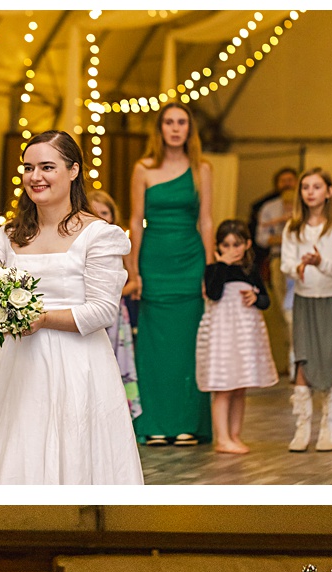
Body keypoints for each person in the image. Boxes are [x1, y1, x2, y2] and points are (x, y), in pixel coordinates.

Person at [0, 132, 143, 485]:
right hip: (19, 365)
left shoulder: (98, 234)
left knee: (76, 452)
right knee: (16, 451)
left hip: (79, 365)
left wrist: (41, 319)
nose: (35, 176)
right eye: (28, 168)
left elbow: (103, 310)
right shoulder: (7, 235)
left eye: (47, 167)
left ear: (74, 171)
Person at [126, 103, 214, 446]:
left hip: (190, 260)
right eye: (169, 122)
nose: (175, 128)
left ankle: (188, 423)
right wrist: (134, 268)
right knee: (153, 344)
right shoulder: (143, 168)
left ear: (190, 129)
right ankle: (156, 423)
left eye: (182, 122)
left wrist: (210, 270)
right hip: (154, 260)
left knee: (189, 345)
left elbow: (206, 220)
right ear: (159, 128)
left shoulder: (201, 169)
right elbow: (135, 221)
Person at [280, 168, 332, 452]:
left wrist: (321, 262)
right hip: (305, 299)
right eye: (305, 187)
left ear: (329, 191)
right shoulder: (293, 228)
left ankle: (329, 425)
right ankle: (302, 427)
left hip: (331, 298)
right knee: (303, 358)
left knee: (331, 357)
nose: (310, 192)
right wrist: (297, 267)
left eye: (317, 186)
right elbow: (286, 262)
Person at [196, 220, 277, 455]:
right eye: (226, 245)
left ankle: (235, 435)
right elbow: (213, 292)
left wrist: (255, 297)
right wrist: (221, 264)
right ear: (218, 246)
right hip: (223, 332)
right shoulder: (214, 268)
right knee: (224, 386)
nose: (232, 249)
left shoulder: (250, 270)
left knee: (240, 387)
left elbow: (266, 300)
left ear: (248, 244)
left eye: (237, 244)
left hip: (244, 333)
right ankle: (222, 438)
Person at [86, 191, 142, 419]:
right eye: (94, 212)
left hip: (115, 314)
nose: (100, 217)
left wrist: (111, 292)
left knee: (115, 362)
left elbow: (135, 282)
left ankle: (117, 413)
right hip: (88, 311)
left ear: (113, 215)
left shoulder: (118, 242)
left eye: (105, 212)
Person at [249, 167, 296, 296]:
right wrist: (281, 239)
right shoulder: (268, 207)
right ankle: (288, 316)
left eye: (290, 180)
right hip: (278, 256)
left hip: (303, 258)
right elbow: (261, 238)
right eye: (283, 180)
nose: (287, 184)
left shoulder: (307, 206)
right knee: (281, 294)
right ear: (277, 184)